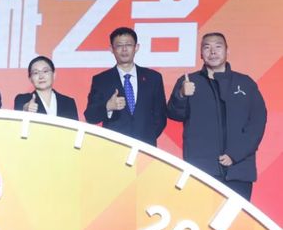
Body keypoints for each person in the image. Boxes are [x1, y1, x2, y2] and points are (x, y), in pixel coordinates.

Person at [167, 32, 266, 201]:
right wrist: (181, 95)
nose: (213, 52)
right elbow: (174, 114)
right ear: (201, 53)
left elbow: (257, 123)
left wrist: (235, 154)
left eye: (218, 47)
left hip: (239, 170)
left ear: (227, 51)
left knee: (235, 217)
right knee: (199, 215)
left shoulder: (245, 83)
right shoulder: (188, 81)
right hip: (201, 170)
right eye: (207, 47)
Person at [84, 27, 167, 146]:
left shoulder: (153, 78)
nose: (124, 49)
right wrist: (108, 107)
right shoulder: (101, 80)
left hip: (145, 148)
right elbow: (90, 116)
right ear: (111, 49)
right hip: (114, 147)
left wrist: (147, 137)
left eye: (128, 45)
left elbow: (161, 116)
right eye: (119, 45)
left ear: (136, 47)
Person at [14, 56, 78, 119]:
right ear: (30, 78)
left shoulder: (68, 102)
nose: (41, 76)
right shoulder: (22, 99)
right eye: (36, 73)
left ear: (54, 75)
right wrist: (25, 109)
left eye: (45, 71)